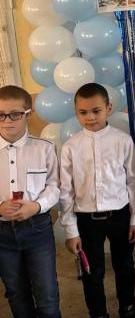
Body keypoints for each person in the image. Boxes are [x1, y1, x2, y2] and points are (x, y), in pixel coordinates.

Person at [59, 83, 135, 318]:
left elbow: (133, 181)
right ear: (76, 113)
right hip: (86, 220)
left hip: (120, 215)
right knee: (91, 271)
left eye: (96, 111)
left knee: (124, 265)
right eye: (83, 112)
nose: (90, 117)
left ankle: (128, 309)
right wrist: (71, 230)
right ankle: (97, 313)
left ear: (108, 108)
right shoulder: (70, 147)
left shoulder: (123, 141)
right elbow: (66, 190)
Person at [0, 85, 61, 318]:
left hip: (37, 229)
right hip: (2, 233)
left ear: (29, 113)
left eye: (15, 114)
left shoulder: (44, 149)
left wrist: (36, 206)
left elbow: (54, 186)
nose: (7, 120)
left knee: (47, 293)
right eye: (1, 114)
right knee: (16, 291)